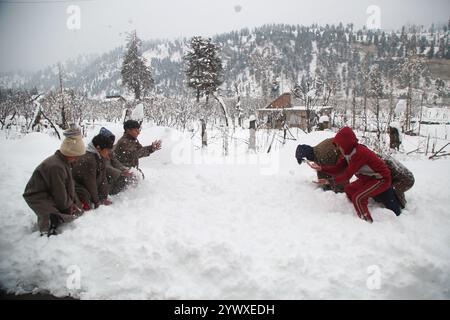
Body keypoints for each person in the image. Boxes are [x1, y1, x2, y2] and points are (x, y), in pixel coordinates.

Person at [307, 127, 391, 223]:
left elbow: (347, 175)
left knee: (358, 198)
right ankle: (356, 208)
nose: (338, 148)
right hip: (368, 178)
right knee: (349, 189)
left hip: (381, 179)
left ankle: (367, 223)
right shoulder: (348, 153)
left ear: (346, 143)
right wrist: (321, 168)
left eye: (339, 145)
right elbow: (338, 168)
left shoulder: (359, 153)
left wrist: (329, 181)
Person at [23, 125, 86, 236]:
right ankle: (45, 235)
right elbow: (60, 194)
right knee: (53, 218)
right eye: (76, 156)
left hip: (49, 192)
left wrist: (74, 203)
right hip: (37, 195)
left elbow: (69, 186)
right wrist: (67, 207)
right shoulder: (56, 167)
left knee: (73, 212)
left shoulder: (65, 163)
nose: (76, 159)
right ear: (69, 153)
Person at [72, 133, 113, 210]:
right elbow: (90, 183)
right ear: (98, 148)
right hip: (78, 187)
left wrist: (103, 197)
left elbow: (103, 178)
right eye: (107, 150)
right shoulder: (89, 160)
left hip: (89, 185)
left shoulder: (100, 156)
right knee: (86, 197)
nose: (108, 153)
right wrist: (97, 202)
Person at [97, 127, 136, 195]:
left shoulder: (109, 149)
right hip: (101, 179)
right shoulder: (97, 151)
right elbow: (105, 166)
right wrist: (120, 173)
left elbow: (115, 161)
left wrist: (124, 169)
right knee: (122, 179)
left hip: (110, 175)